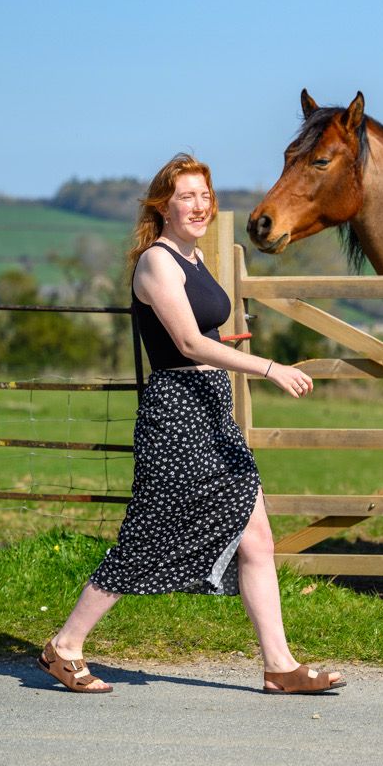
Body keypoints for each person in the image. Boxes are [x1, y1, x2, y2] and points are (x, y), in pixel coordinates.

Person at [37, 154, 344, 695]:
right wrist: (269, 368)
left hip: (212, 411)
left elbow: (202, 335)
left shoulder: (195, 258)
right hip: (176, 416)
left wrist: (226, 353)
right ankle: (64, 646)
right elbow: (186, 343)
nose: (199, 206)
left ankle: (280, 667)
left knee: (257, 537)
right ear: (164, 206)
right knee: (148, 535)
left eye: (205, 196)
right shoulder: (156, 263)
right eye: (187, 197)